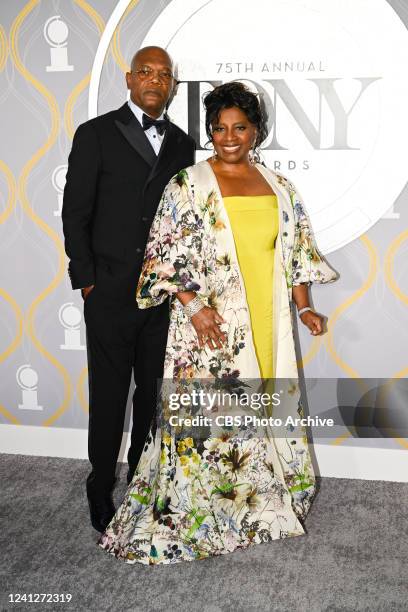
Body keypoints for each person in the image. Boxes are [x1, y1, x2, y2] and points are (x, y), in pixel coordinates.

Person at [98, 81, 338, 565]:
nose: (228, 137)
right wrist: (193, 305)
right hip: (211, 324)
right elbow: (165, 253)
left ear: (256, 131)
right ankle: (212, 508)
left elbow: (295, 255)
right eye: (218, 128)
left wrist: (305, 306)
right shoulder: (188, 184)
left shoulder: (279, 186)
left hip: (267, 322)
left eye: (239, 128)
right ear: (210, 131)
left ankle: (260, 504)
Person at [61, 46, 195, 533]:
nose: (154, 80)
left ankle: (142, 481)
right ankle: (99, 486)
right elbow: (75, 212)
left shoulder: (182, 142)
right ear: (129, 78)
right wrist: (88, 281)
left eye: (164, 74)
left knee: (152, 396)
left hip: (161, 296)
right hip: (111, 291)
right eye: (146, 72)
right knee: (110, 394)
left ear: (172, 85)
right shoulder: (95, 133)